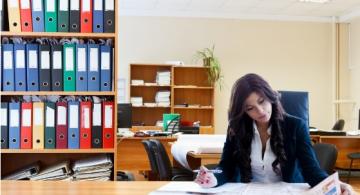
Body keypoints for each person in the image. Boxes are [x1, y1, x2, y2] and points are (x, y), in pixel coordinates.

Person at [194, 73, 354, 194]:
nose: (260, 111)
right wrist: (213, 177)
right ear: (244, 111)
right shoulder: (236, 128)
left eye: (262, 101)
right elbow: (225, 167)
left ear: (270, 96)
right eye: (250, 108)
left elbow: (312, 170)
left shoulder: (296, 126)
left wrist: (335, 184)